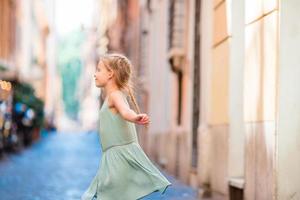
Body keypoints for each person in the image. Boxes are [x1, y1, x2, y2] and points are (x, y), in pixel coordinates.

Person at [81, 53, 172, 200]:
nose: (95, 74)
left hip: (118, 158)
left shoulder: (115, 95)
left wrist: (135, 117)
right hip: (112, 157)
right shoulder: (113, 96)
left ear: (110, 74)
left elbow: (125, 111)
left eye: (99, 70)